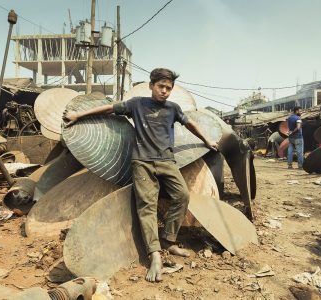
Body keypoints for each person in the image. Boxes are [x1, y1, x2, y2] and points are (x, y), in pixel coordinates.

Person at [63, 68, 217, 283]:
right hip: (142, 162)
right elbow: (109, 108)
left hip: (167, 161)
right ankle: (154, 254)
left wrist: (207, 140)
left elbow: (190, 123)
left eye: (168, 88)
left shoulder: (173, 108)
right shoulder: (136, 104)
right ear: (151, 86)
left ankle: (168, 241)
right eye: (161, 86)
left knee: (182, 196)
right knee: (147, 206)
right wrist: (78, 115)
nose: (164, 91)